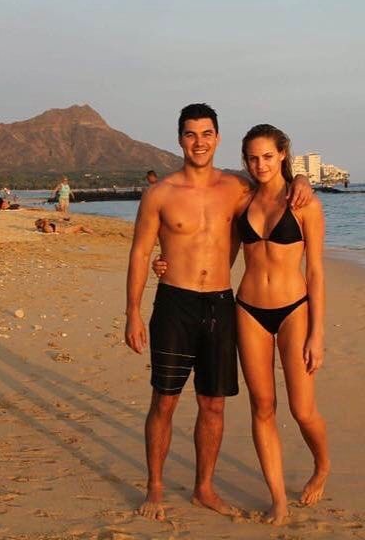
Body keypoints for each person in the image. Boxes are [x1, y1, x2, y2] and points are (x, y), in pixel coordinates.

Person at [124, 104, 312, 522]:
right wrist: (132, 312)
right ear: (180, 139)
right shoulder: (160, 193)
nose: (199, 142)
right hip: (175, 303)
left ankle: (203, 488)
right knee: (165, 401)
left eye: (206, 134)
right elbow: (139, 253)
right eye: (191, 134)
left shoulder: (237, 188)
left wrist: (303, 179)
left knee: (213, 405)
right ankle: (155, 488)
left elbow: (275, 185)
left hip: (221, 303)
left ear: (218, 138)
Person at [234, 124, 329, 524]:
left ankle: (322, 465)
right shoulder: (241, 200)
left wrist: (317, 333)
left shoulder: (304, 203)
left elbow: (316, 272)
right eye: (253, 158)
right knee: (262, 407)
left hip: (294, 309)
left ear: (283, 155)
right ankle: (278, 498)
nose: (260, 165)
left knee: (302, 410)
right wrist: (166, 262)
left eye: (268, 157)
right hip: (248, 310)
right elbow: (215, 249)